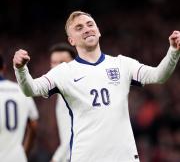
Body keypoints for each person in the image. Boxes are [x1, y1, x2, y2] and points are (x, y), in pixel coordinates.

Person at [13, 11, 180, 162]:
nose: (86, 29)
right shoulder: (63, 72)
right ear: (71, 40)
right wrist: (20, 69)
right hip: (87, 157)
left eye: (90, 24)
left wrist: (173, 51)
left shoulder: (122, 64)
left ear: (98, 31)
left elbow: (159, 75)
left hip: (123, 156)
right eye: (79, 28)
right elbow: (31, 89)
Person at [0, 53, 39, 162]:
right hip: (17, 158)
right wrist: (24, 152)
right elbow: (34, 126)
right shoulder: (20, 90)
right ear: (3, 67)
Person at [49, 43, 76, 162]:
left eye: (62, 63)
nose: (57, 67)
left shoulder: (72, 93)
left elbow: (72, 137)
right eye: (54, 62)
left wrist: (56, 159)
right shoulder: (63, 90)